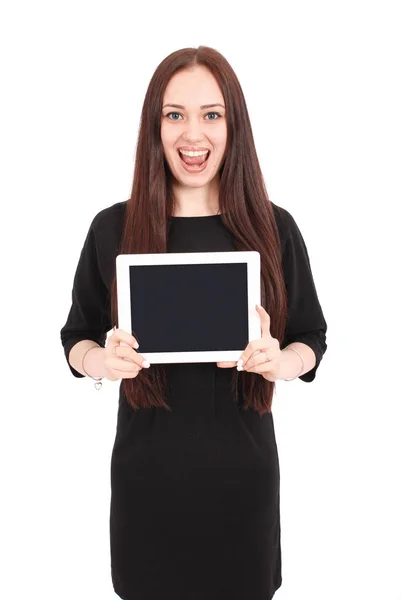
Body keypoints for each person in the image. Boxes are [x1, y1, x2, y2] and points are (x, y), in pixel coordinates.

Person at [60, 46, 327, 600]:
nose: (192, 134)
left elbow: (311, 338)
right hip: (147, 485)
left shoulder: (274, 228)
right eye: (174, 114)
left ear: (234, 123)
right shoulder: (113, 229)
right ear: (154, 125)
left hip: (242, 484)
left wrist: (281, 361)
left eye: (211, 114)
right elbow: (75, 336)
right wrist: (101, 362)